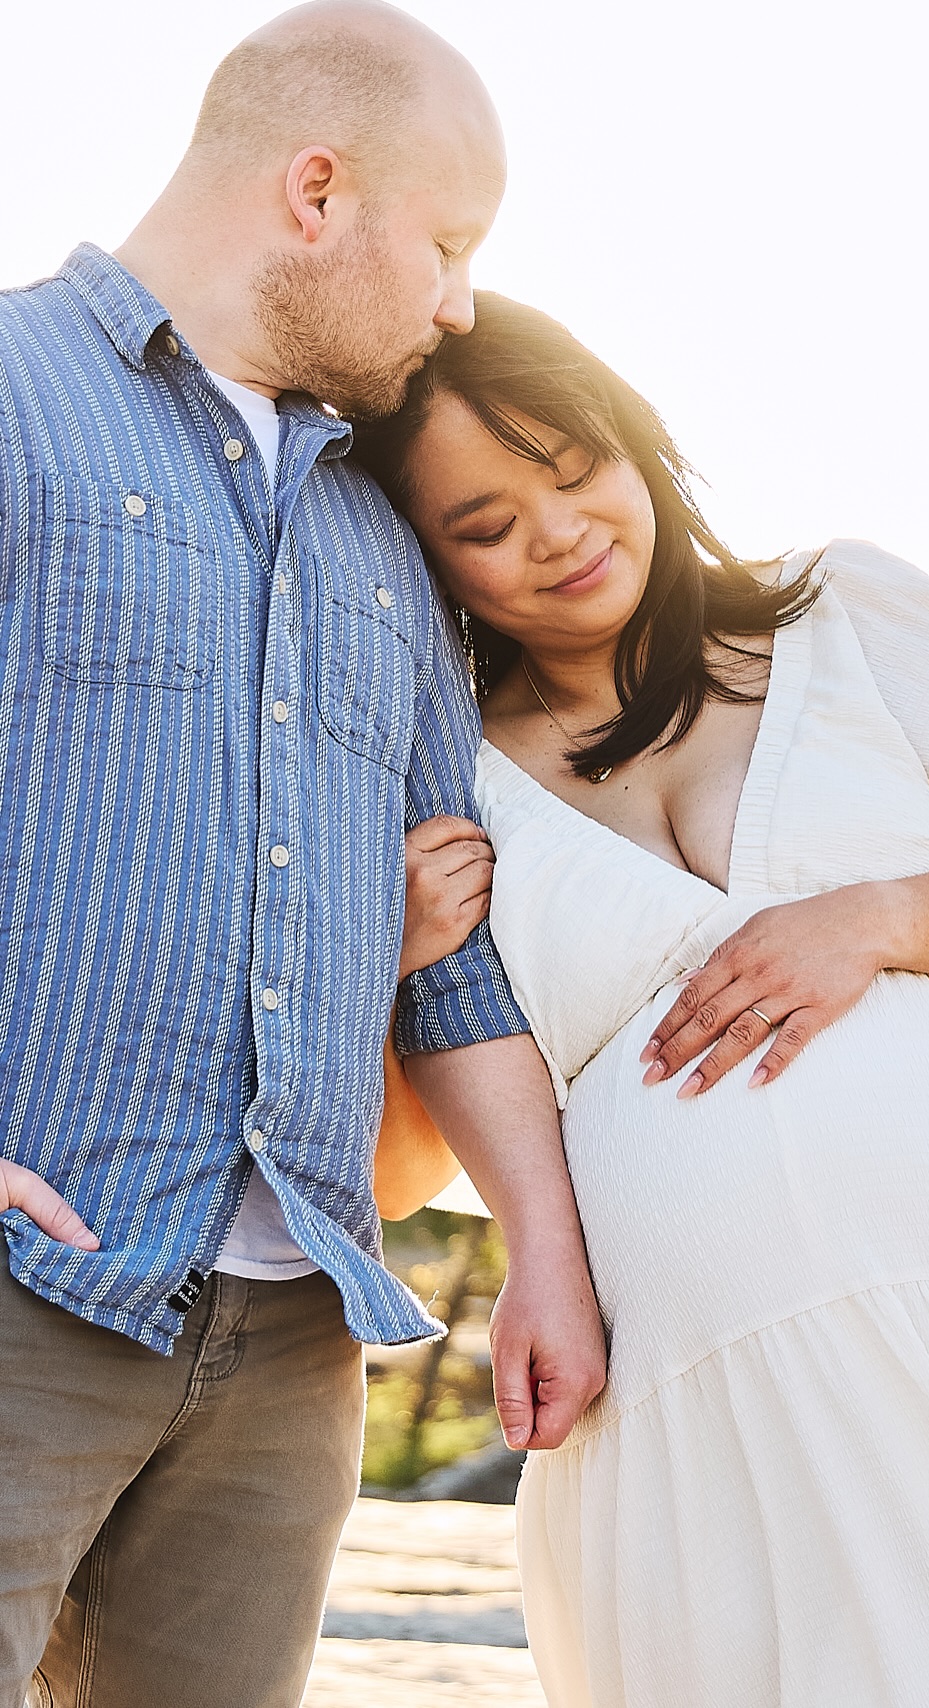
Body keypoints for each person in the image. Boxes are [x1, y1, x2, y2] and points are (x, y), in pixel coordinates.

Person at [368, 292, 929, 1707]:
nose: (556, 532)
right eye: (483, 525)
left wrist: (880, 917)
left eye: (574, 464)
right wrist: (408, 961)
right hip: (687, 1390)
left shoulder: (849, 611)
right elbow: (402, 1172)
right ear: (422, 562)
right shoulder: (443, 788)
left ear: (635, 441)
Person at [0, 12, 603, 1707]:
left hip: (291, 1343)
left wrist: (541, 1253)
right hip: (27, 1290)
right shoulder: (10, 395)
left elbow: (458, 935)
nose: (459, 302)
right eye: (452, 242)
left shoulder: (375, 532)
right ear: (319, 189)